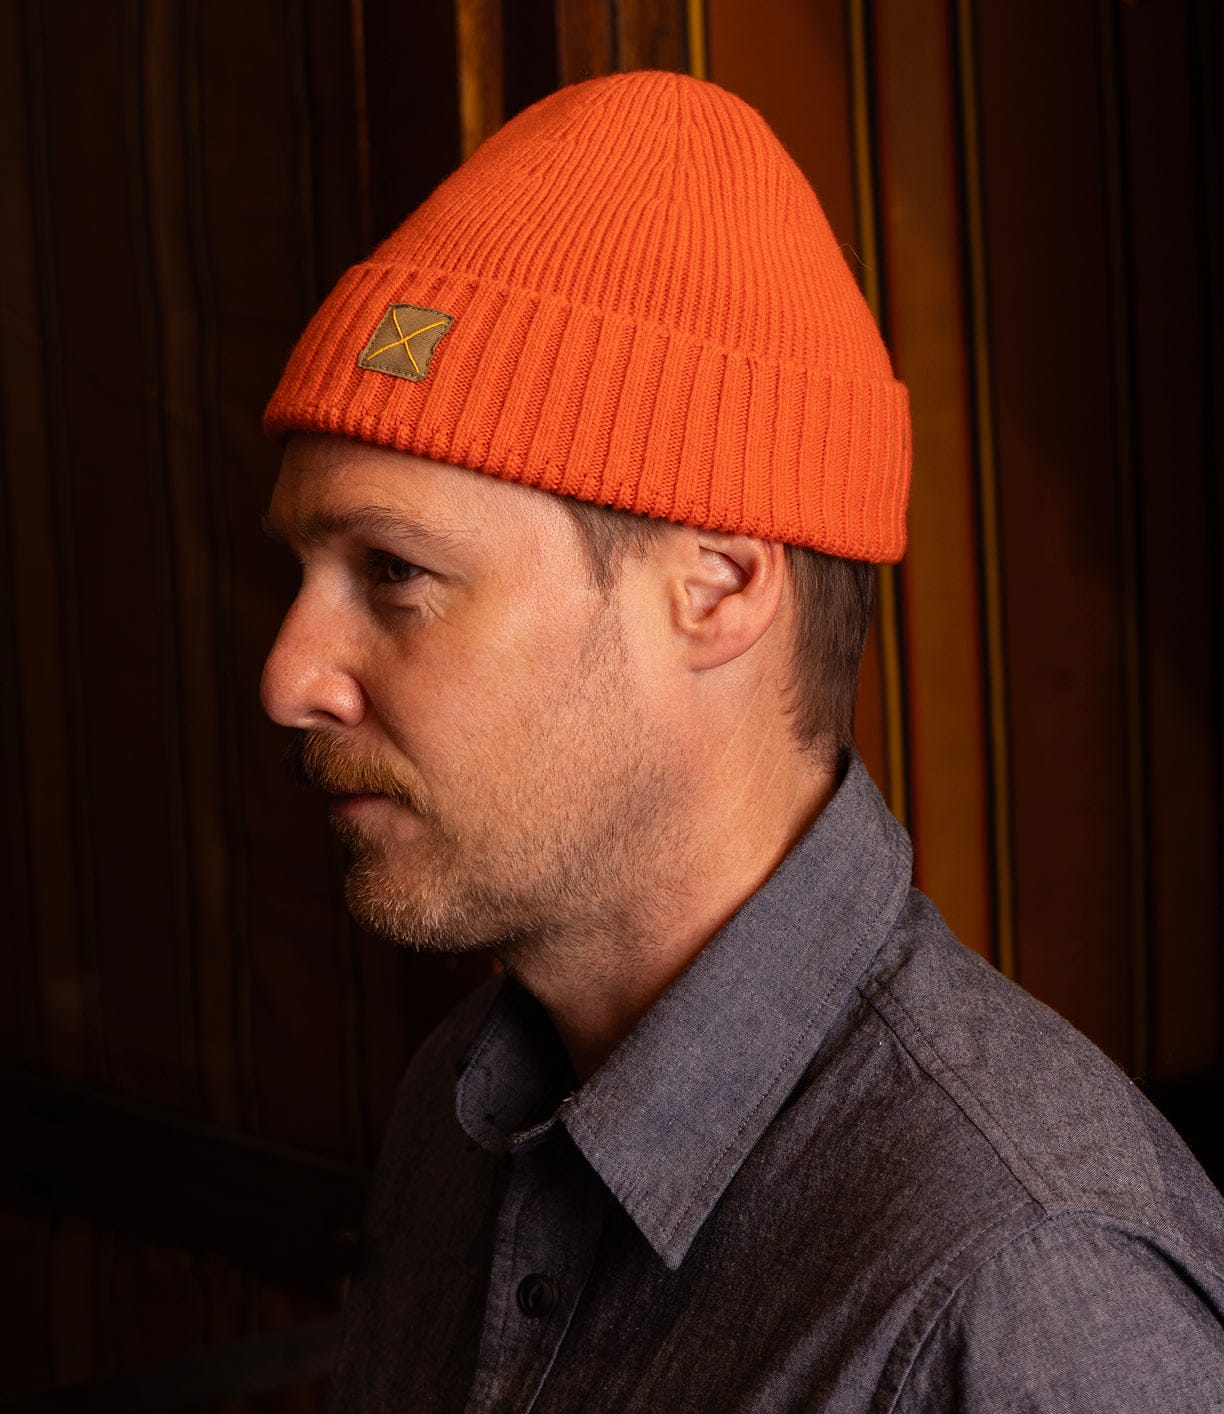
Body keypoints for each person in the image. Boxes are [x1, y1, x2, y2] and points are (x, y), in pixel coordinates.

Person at [259, 70, 1224, 1412]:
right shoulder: (460, 1113)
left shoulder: (1020, 1286)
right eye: (300, 573)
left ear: (713, 588)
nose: (290, 674)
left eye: (395, 573)